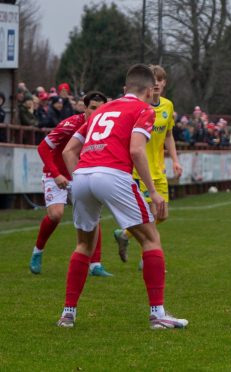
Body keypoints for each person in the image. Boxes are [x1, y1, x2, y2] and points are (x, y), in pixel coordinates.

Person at [58, 64, 187, 329]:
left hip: (82, 175)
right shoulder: (144, 110)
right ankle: (158, 314)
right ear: (150, 90)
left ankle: (67, 314)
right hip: (113, 174)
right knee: (151, 239)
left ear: (124, 89)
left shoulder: (100, 110)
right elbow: (137, 151)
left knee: (84, 245)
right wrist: (153, 191)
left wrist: (80, 178)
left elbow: (69, 151)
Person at [29, 92, 111, 276]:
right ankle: (37, 252)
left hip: (81, 175)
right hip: (56, 175)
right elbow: (43, 147)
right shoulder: (70, 124)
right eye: (92, 108)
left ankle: (95, 265)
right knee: (56, 215)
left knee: (93, 216)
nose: (96, 112)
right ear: (84, 108)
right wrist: (57, 174)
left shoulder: (104, 127)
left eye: (101, 108)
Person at [113, 65, 183, 267]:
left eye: (160, 80)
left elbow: (168, 135)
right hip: (139, 171)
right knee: (149, 215)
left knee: (162, 215)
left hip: (159, 170)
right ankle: (149, 256)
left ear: (164, 83)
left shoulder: (168, 106)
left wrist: (175, 160)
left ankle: (124, 234)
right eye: (154, 80)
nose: (157, 83)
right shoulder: (138, 108)